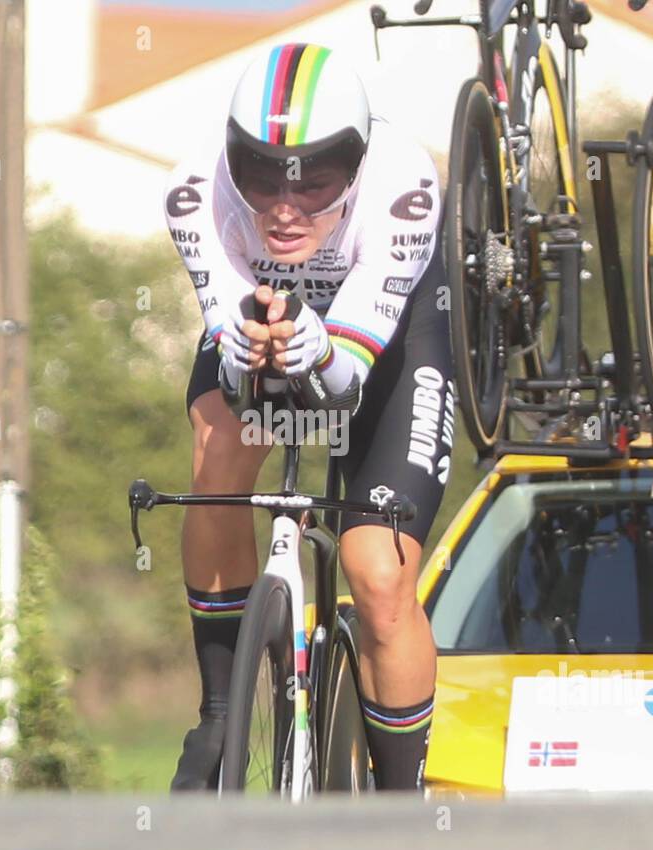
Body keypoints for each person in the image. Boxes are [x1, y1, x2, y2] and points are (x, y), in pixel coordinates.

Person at [163, 42, 454, 791]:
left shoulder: (405, 187)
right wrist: (252, 353)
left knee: (377, 572)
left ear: (355, 167)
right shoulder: (197, 192)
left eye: (315, 183)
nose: (285, 211)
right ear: (233, 162)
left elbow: (346, 377)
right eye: (260, 178)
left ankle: (399, 802)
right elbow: (229, 358)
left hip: (389, 338)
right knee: (219, 455)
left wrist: (315, 347)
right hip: (267, 324)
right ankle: (220, 713)